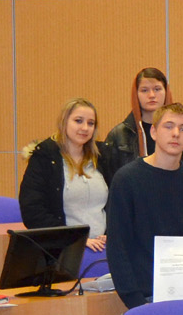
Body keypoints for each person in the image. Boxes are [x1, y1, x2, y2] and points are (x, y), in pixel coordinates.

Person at [106, 103, 183, 309]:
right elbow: (118, 247)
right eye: (168, 126)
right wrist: (136, 302)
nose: (176, 133)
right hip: (146, 297)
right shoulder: (126, 179)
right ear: (154, 132)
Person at [18, 98, 113, 252]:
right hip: (62, 250)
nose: (85, 128)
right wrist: (75, 239)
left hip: (101, 249)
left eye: (91, 123)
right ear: (64, 122)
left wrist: (110, 233)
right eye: (78, 121)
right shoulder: (45, 157)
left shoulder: (103, 156)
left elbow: (116, 204)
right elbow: (32, 211)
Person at [103, 67, 183, 174]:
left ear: (166, 92)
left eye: (157, 89)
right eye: (144, 90)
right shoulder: (119, 135)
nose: (151, 95)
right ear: (136, 94)